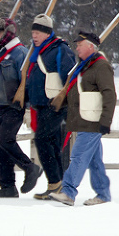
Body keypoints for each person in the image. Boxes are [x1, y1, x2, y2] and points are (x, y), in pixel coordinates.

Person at [0, 17, 42, 198]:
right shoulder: (0, 54)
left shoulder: (20, 53)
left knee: (5, 140)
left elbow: (27, 83)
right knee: (0, 147)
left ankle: (30, 168)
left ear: (8, 33)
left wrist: (28, 108)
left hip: (16, 106)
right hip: (2, 106)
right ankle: (7, 187)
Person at [50, 31, 116, 206]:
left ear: (90, 46)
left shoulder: (101, 67)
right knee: (94, 161)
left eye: (80, 44)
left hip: (93, 121)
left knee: (78, 156)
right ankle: (103, 194)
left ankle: (68, 191)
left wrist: (105, 121)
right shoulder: (85, 66)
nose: (76, 47)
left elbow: (109, 95)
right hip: (86, 119)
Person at [24, 13, 77, 200]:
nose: (34, 36)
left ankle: (55, 182)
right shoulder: (38, 50)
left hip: (55, 104)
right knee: (52, 144)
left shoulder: (59, 49)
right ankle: (56, 184)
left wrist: (67, 101)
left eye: (38, 32)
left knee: (42, 140)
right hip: (41, 105)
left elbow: (69, 75)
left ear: (47, 33)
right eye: (33, 32)